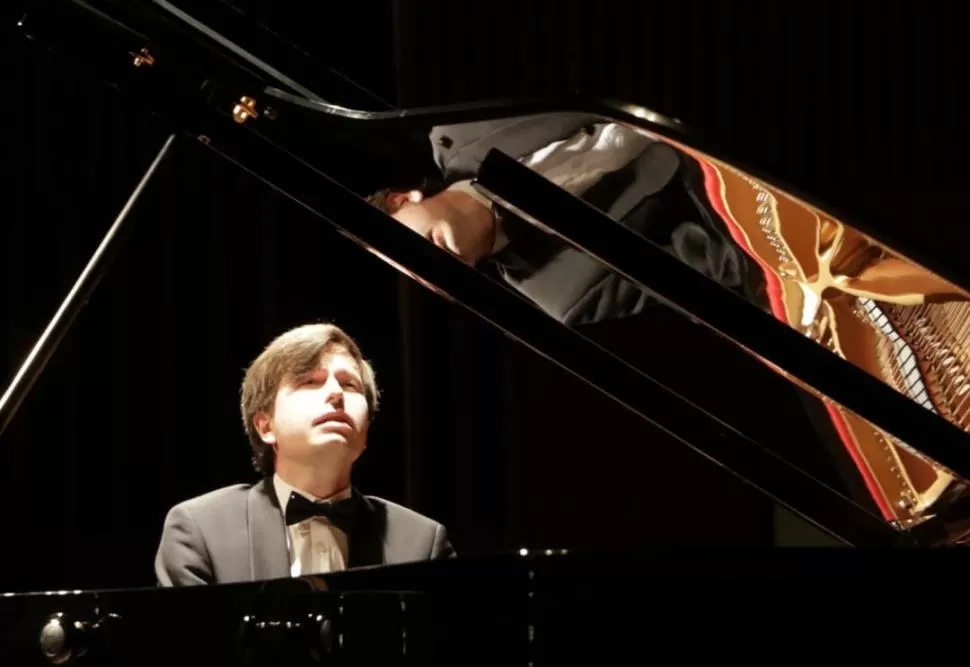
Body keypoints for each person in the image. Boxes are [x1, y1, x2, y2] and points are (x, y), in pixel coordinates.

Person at [368, 112, 755, 326]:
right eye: (414, 278)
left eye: (401, 250)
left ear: (404, 199)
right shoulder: (565, 297)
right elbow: (717, 268)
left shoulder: (459, 126)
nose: (420, 269)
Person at [154, 322, 455, 587]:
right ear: (265, 426)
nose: (336, 393)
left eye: (350, 384)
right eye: (310, 381)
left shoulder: (422, 544)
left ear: (365, 432)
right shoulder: (201, 530)